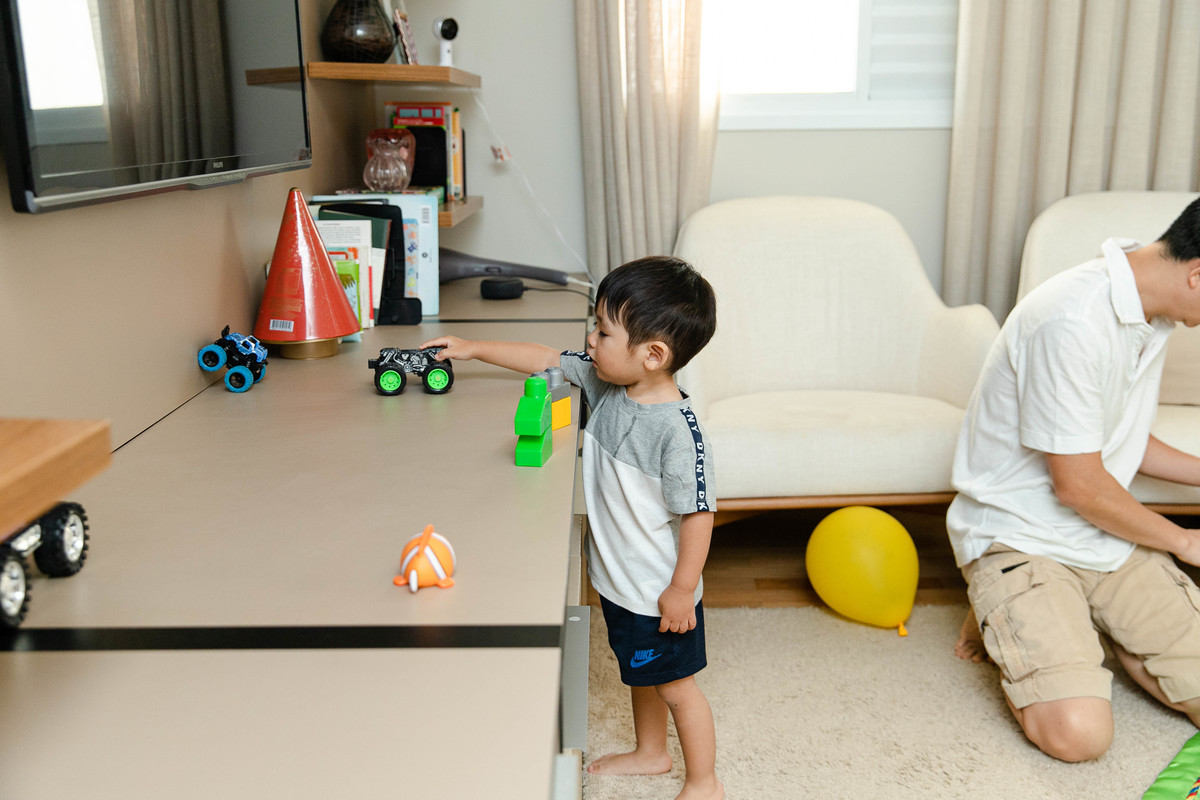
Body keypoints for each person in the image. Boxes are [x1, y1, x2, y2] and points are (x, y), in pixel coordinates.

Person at [420, 255, 723, 800]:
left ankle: (706, 782)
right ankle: (652, 753)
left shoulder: (678, 433)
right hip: (621, 584)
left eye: (603, 332)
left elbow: (699, 515)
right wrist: (471, 347)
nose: (590, 339)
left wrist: (681, 590)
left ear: (653, 355)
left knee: (677, 687)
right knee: (641, 674)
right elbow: (543, 358)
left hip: (658, 593)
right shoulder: (609, 383)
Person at [947, 196, 1200, 763]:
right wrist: (1184, 541)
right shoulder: (1072, 320)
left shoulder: (1153, 313)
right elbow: (1079, 486)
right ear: (1197, 274)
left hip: (1101, 534)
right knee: (1080, 736)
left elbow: (1118, 438)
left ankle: (1088, 624)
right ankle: (1000, 600)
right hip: (1022, 536)